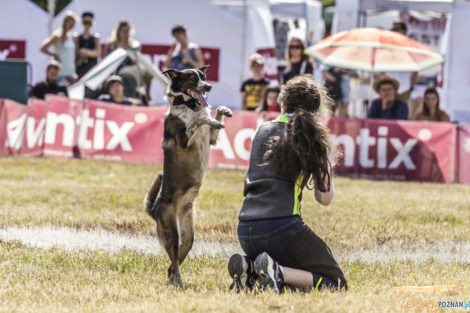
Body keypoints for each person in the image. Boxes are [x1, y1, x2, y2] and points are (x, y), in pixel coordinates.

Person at [228, 76, 347, 293]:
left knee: (293, 283)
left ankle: (251, 268)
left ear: (282, 102)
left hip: (245, 230)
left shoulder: (262, 130)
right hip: (281, 229)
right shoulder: (311, 137)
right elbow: (325, 198)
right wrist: (328, 163)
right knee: (336, 283)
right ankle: (277, 272)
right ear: (316, 109)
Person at [40, 11, 78, 85]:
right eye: (71, 23)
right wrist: (55, 55)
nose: (72, 26)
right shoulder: (57, 35)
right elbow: (43, 48)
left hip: (70, 72)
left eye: (74, 24)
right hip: (60, 73)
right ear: (65, 22)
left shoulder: (70, 36)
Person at [74, 11, 101, 77]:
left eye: (89, 23)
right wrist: (90, 53)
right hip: (79, 69)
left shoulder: (95, 38)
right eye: (85, 22)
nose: (87, 25)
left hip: (92, 69)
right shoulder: (77, 37)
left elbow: (97, 53)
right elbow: (75, 53)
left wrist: (84, 51)